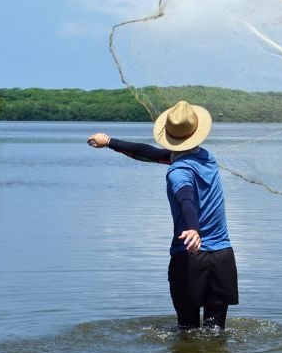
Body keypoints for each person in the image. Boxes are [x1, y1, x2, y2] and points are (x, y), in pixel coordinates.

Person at [87, 100, 239, 331]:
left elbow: (186, 199)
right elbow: (149, 153)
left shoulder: (177, 172)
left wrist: (194, 228)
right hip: (222, 257)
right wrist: (109, 142)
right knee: (215, 331)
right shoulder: (207, 158)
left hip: (190, 256)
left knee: (187, 330)